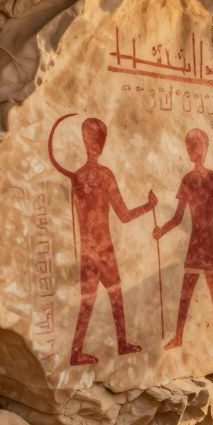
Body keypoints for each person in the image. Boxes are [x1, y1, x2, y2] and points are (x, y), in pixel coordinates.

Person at [48, 115, 157, 366]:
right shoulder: (104, 175)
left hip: (89, 248)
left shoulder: (78, 177)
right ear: (101, 143)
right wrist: (149, 206)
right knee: (112, 296)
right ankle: (116, 345)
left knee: (93, 300)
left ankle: (85, 351)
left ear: (85, 143)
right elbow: (125, 215)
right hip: (103, 248)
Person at [154, 129, 213, 346]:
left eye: (197, 146)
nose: (194, 150)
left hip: (208, 243)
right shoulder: (187, 180)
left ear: (205, 148)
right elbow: (177, 218)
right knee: (187, 290)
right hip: (196, 244)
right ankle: (178, 336)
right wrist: (161, 231)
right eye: (190, 147)